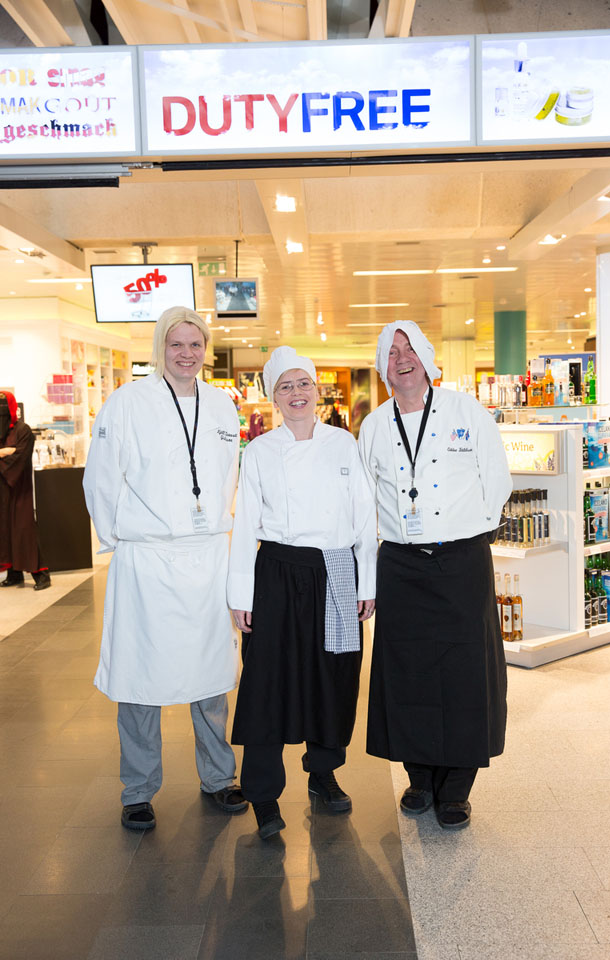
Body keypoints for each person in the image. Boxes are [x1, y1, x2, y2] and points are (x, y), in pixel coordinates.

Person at [83, 306, 247, 831]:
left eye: (195, 344)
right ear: (161, 348)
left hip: (207, 559)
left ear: (206, 351)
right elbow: (101, 479)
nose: (186, 354)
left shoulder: (221, 406)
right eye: (176, 344)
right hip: (147, 561)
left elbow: (229, 476)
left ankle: (219, 778)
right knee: (139, 679)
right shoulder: (127, 403)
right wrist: (119, 539)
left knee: (211, 677)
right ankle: (138, 789)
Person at [358, 321, 512, 830]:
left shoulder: (468, 412)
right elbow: (364, 501)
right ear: (382, 367)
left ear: (426, 358)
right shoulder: (374, 426)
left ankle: (456, 787)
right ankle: (419, 777)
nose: (402, 359)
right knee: (408, 672)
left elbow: (497, 481)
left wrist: (469, 535)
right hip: (401, 565)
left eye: (409, 350)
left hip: (462, 561)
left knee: (466, 675)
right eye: (392, 352)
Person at [227, 346, 377, 839]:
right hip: (276, 570)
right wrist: (240, 594)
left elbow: (364, 516)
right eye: (286, 386)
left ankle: (323, 772)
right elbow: (245, 524)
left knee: (332, 676)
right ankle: (263, 794)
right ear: (274, 397)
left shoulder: (344, 444)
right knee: (266, 679)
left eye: (304, 384)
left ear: (317, 391)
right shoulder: (260, 451)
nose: (297, 393)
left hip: (335, 569)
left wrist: (367, 582)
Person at [0, 390, 51, 591]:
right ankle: (14, 573)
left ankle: (41, 574)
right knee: (5, 532)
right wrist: (4, 452)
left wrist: (8, 454)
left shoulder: (24, 431)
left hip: (19, 490)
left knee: (24, 530)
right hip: (2, 492)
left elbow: (19, 460)